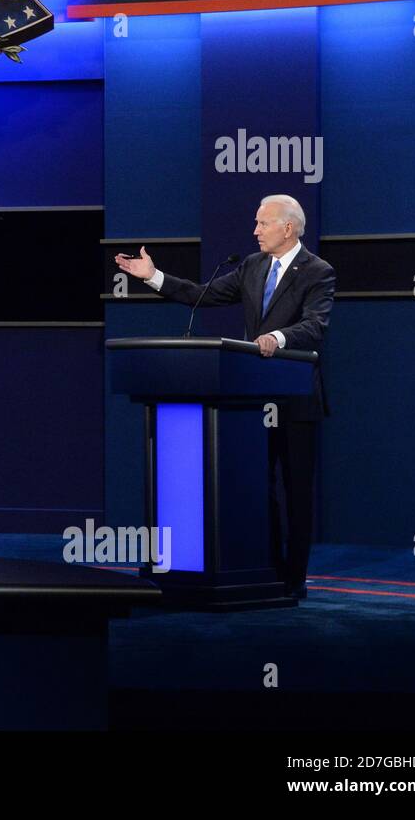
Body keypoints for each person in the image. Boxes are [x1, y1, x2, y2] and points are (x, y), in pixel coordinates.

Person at [114, 194, 334, 599]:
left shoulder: (317, 272)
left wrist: (276, 337)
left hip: (296, 400)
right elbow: (203, 295)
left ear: (288, 228)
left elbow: (314, 326)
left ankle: (293, 580)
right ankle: (266, 569)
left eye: (262, 224)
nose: (255, 231)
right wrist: (153, 276)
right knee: (260, 488)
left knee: (297, 492)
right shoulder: (251, 266)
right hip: (252, 399)